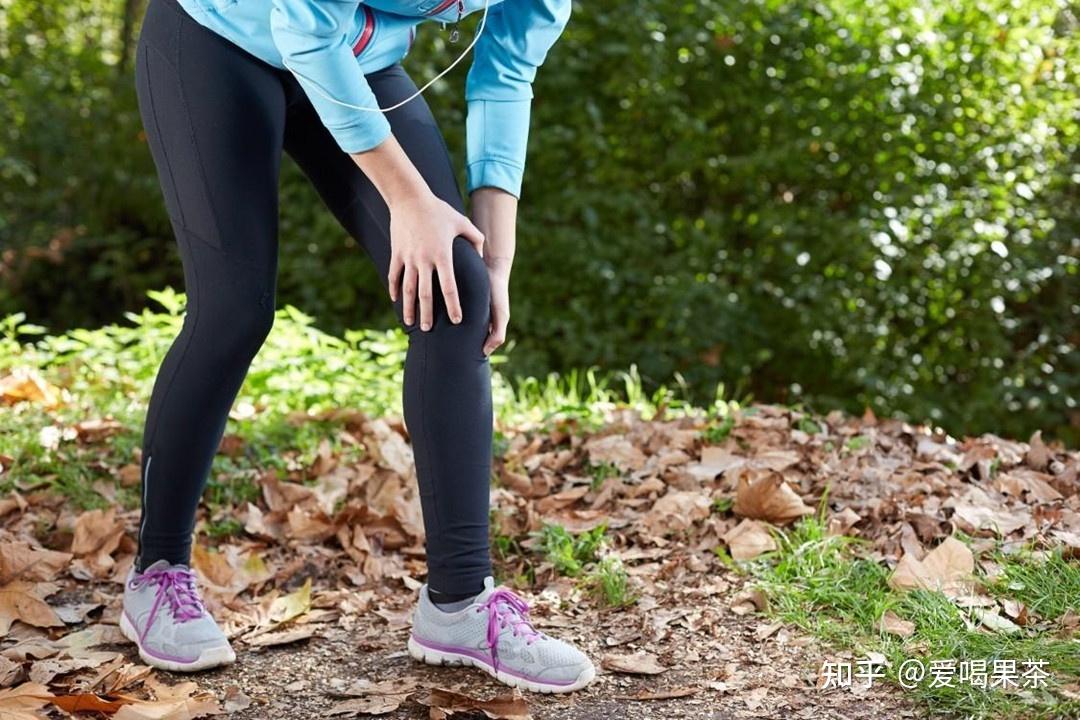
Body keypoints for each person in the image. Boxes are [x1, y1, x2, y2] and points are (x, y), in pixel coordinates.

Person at [121, 0, 595, 693]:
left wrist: (497, 260)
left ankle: (460, 604)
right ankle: (157, 572)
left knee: (457, 291)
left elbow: (505, 76)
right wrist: (407, 200)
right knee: (233, 311)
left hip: (355, 61)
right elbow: (302, 29)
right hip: (218, 38)